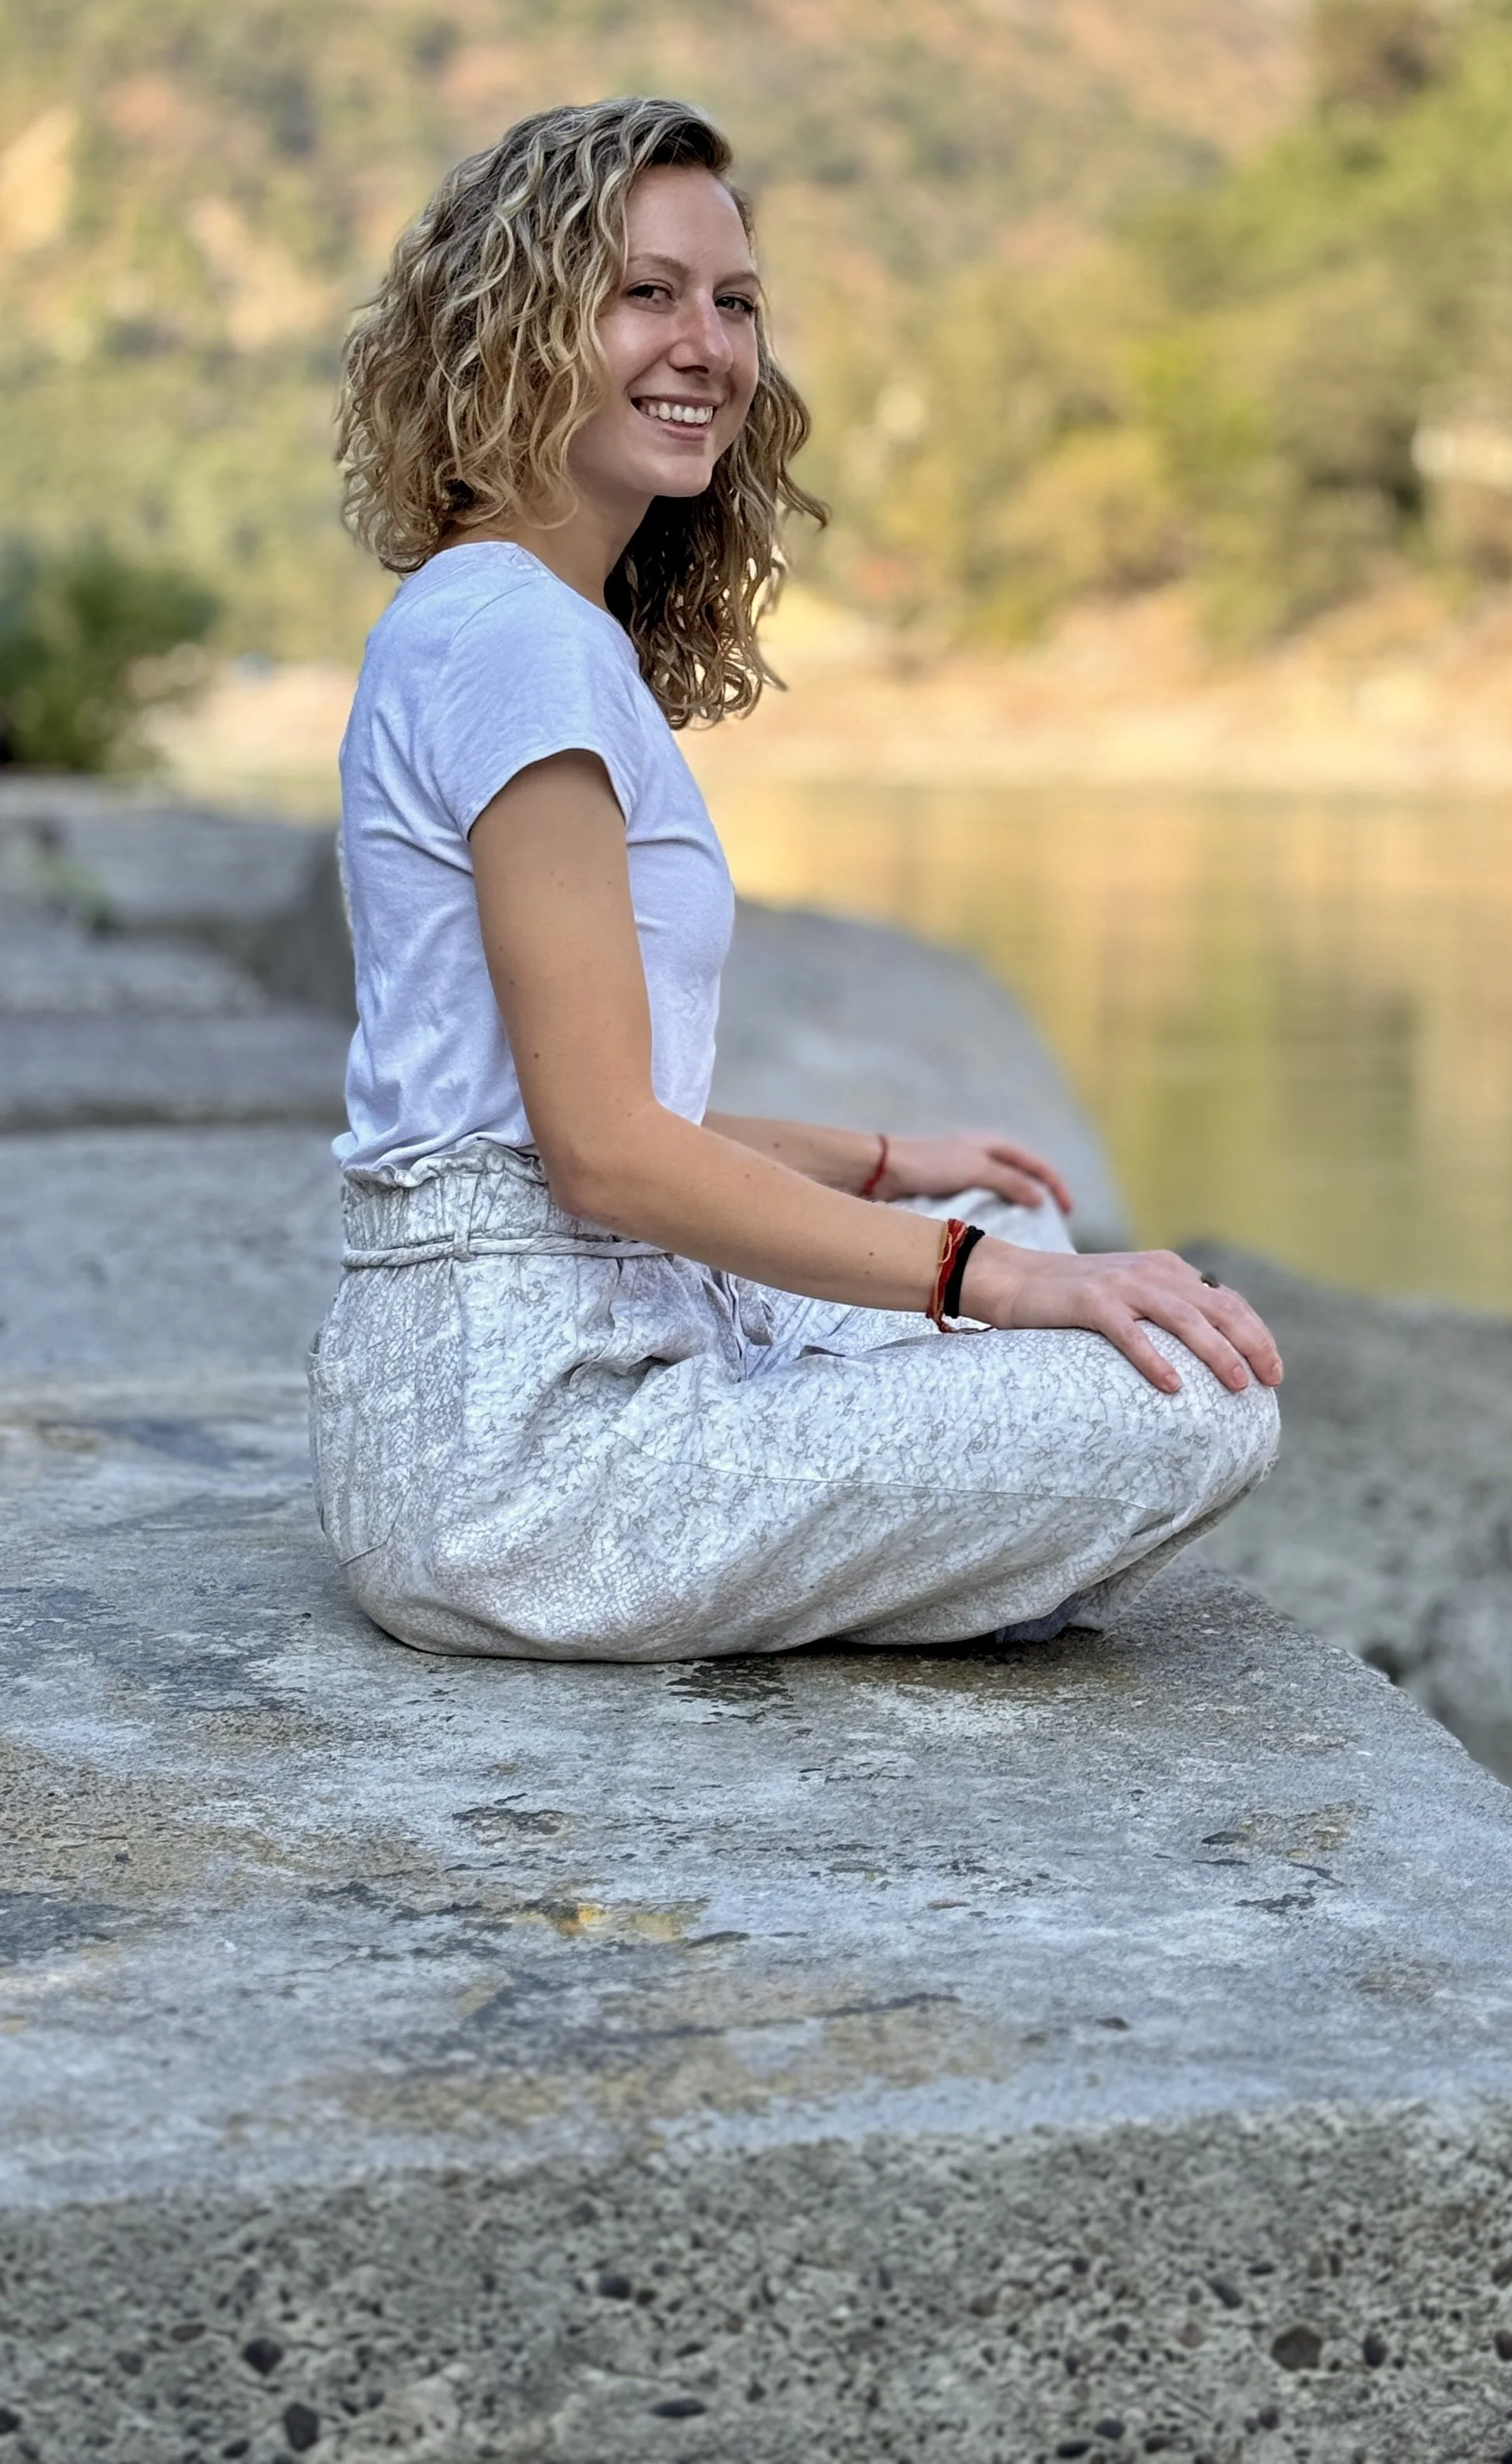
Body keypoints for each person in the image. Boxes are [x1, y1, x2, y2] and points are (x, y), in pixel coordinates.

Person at [311, 96, 1281, 1660]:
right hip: (526, 1454)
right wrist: (985, 1278)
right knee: (1195, 1404)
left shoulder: (513, 620)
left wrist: (887, 1163)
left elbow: (529, 1114)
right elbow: (606, 1158)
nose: (708, 344)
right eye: (645, 293)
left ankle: (880, 1509)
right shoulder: (516, 645)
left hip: (517, 1369)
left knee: (1076, 1278)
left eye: (736, 301)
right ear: (514, 327)